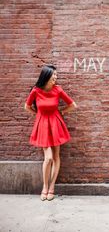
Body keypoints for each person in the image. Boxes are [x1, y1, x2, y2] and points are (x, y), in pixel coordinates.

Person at [24, 65, 77, 201]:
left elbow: (73, 105)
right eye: (53, 75)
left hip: (55, 124)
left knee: (56, 156)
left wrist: (62, 112)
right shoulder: (36, 91)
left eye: (56, 75)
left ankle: (52, 187)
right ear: (46, 76)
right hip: (42, 124)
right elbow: (27, 106)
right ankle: (45, 187)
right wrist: (38, 114)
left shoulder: (58, 90)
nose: (55, 77)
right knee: (48, 158)